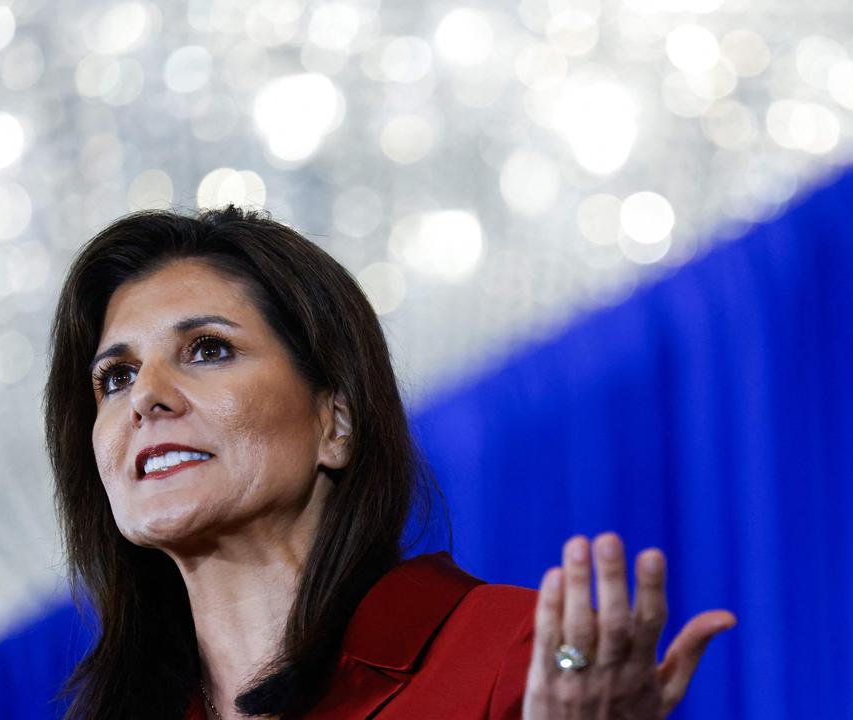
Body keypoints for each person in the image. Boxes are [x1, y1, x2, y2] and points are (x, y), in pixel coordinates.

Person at [45, 206, 736, 719]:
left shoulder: (512, 654)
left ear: (335, 422)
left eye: (206, 349)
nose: (147, 397)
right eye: (116, 377)